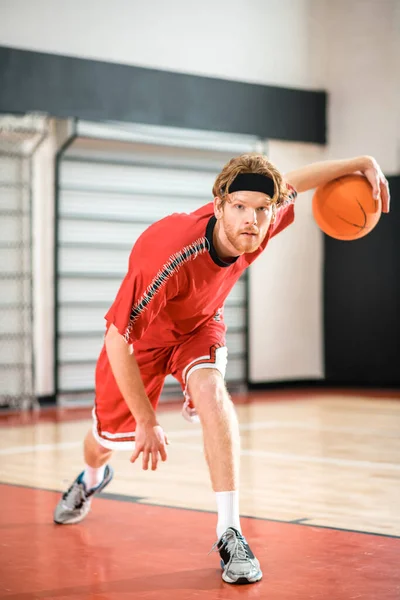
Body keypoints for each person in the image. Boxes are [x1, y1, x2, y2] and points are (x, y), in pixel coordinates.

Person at [54, 153, 390, 585]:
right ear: (218, 206)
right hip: (143, 341)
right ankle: (91, 478)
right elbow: (117, 338)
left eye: (262, 209)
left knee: (213, 395)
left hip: (199, 325)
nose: (251, 219)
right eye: (239, 207)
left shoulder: (261, 221)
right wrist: (146, 419)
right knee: (102, 442)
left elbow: (296, 182)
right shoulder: (169, 255)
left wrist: (362, 162)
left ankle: (230, 531)